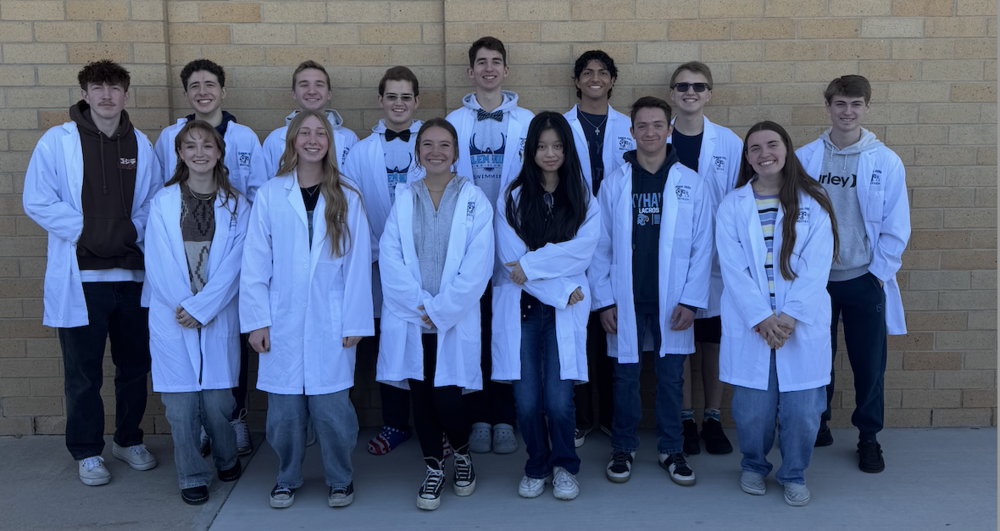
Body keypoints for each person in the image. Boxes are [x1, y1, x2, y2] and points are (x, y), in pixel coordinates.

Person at [23, 60, 160, 486]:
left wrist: (127, 233)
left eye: (115, 88)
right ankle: (86, 451)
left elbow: (153, 205)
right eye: (97, 87)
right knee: (82, 373)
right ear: (84, 93)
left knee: (135, 366)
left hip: (132, 277)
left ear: (126, 95)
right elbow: (38, 200)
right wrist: (90, 232)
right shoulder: (56, 142)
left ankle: (128, 439)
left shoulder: (141, 143)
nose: (106, 95)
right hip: (80, 279)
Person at [240, 110, 373, 509]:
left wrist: (354, 321)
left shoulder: (347, 195)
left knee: (333, 411)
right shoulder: (270, 193)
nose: (313, 140)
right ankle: (287, 476)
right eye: (305, 133)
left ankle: (340, 477)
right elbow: (255, 263)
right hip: (280, 318)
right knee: (283, 413)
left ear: (330, 143)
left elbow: (357, 266)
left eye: (321, 134)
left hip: (331, 319)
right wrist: (257, 321)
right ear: (292, 140)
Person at [589, 96, 712, 487]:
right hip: (627, 298)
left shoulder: (690, 182)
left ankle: (671, 448)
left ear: (669, 129)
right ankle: (623, 447)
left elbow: (702, 247)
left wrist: (692, 300)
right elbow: (600, 244)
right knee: (625, 378)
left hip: (673, 301)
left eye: (658, 124)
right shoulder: (615, 183)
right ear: (631, 133)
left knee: (671, 378)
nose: (650, 132)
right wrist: (604, 300)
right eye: (642, 125)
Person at [717, 120, 839, 507]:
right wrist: (761, 317)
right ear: (747, 157)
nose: (764, 153)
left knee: (804, 412)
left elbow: (819, 266)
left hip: (798, 324)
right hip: (752, 322)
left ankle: (794, 472)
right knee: (752, 411)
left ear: (787, 149)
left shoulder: (813, 199)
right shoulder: (734, 204)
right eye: (754, 148)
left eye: (772, 144)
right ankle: (753, 465)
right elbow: (732, 268)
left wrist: (786, 318)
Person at [376, 118, 495, 511]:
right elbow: (390, 260)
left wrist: (441, 309)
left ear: (457, 152)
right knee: (421, 397)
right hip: (413, 318)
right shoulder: (404, 197)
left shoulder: (475, 199)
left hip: (452, 317)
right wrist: (420, 306)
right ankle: (433, 466)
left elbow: (478, 265)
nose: (436, 152)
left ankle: (461, 453)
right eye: (427, 144)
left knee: (447, 397)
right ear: (417, 152)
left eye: (444, 145)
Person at [796, 75, 910, 473]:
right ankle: (819, 424)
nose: (847, 112)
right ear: (827, 106)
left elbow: (897, 225)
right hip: (816, 281)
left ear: (867, 108)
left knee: (868, 364)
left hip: (863, 279)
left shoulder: (885, 160)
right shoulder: (806, 157)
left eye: (855, 104)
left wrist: (877, 274)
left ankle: (868, 437)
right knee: (815, 358)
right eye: (840, 103)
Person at [154, 58, 265, 458]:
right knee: (188, 358)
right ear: (186, 93)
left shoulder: (246, 137)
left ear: (223, 90)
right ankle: (202, 427)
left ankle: (233, 421)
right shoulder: (168, 135)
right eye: (195, 85)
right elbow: (161, 200)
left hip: (230, 260)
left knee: (230, 350)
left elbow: (259, 194)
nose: (203, 91)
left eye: (210, 84)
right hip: (183, 269)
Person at [493, 112, 600, 500]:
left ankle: (564, 466)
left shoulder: (583, 196)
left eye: (557, 146)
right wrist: (557, 289)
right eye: (542, 146)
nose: (550, 153)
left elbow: (581, 252)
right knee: (526, 402)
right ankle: (535, 465)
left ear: (567, 149)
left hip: (563, 314)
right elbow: (511, 260)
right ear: (530, 150)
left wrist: (535, 268)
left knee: (558, 400)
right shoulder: (513, 196)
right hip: (525, 310)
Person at [143, 120, 250, 505]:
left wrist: (204, 308)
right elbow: (157, 262)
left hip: (217, 313)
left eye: (207, 145)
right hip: (173, 314)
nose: (199, 152)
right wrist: (186, 307)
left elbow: (237, 265)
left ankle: (225, 456)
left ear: (219, 152)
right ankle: (191, 474)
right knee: (181, 408)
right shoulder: (163, 202)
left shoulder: (238, 205)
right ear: (180, 154)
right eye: (190, 146)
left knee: (220, 402)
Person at [446, 36, 534, 455]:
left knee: (508, 331)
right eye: (480, 62)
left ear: (506, 70)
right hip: (466, 242)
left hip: (516, 242)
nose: (488, 69)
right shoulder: (452, 123)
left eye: (496, 62)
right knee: (473, 329)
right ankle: (477, 415)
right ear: (470, 71)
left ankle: (505, 417)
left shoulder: (529, 123)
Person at [342, 66, 424, 456]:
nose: (398, 104)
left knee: (426, 342)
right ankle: (394, 424)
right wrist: (379, 254)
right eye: (391, 96)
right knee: (387, 343)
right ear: (380, 101)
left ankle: (432, 423)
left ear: (416, 102)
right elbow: (351, 209)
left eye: (406, 97)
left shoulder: (432, 144)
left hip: (425, 268)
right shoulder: (359, 152)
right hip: (375, 266)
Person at [665, 61, 743, 456]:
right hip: (672, 259)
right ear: (672, 94)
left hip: (717, 260)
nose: (690, 92)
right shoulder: (658, 140)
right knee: (679, 342)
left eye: (698, 86)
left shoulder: (729, 143)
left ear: (709, 93)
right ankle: (684, 422)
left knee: (712, 343)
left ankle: (711, 418)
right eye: (682, 86)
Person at [563, 50, 633, 446]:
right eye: (587, 72)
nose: (594, 78)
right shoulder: (561, 124)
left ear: (611, 80)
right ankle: (580, 417)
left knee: (611, 326)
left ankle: (608, 415)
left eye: (602, 72)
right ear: (577, 81)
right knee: (577, 331)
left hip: (616, 239)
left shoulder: (628, 125)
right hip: (572, 236)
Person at [263, 60, 359, 177]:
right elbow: (263, 186)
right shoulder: (274, 140)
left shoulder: (350, 139)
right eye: (304, 85)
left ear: (329, 94)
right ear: (293, 93)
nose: (312, 91)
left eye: (319, 85)